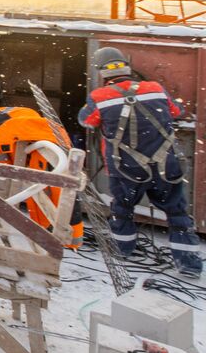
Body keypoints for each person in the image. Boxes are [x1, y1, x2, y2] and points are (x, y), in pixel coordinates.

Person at [78, 46, 202, 277]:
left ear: (102, 72)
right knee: (177, 213)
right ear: (126, 67)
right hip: (166, 166)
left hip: (126, 169)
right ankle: (188, 265)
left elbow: (86, 121)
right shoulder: (155, 88)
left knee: (123, 209)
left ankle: (122, 251)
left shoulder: (99, 97)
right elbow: (177, 111)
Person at [0, 106, 83, 248]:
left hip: (42, 142)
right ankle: (64, 234)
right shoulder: (8, 118)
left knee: (58, 187)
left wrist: (5, 169)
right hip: (43, 138)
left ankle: (67, 236)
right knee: (54, 187)